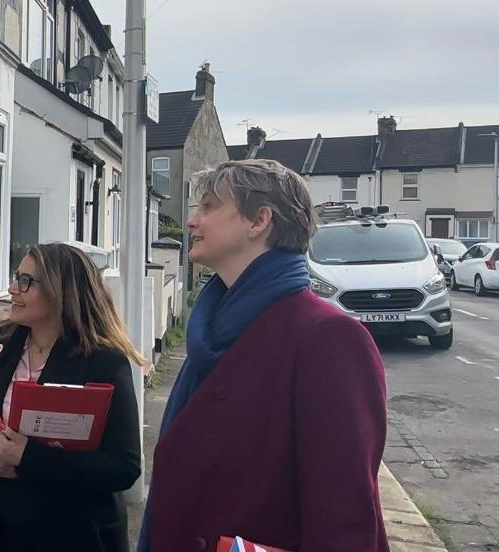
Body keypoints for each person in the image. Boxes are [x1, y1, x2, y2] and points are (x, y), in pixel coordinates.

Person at [137, 159, 389, 552]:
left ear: (259, 221)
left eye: (208, 207)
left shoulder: (329, 338)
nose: (192, 221)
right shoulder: (212, 329)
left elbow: (344, 519)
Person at [0, 242, 146, 552]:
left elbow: (123, 466)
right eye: (17, 276)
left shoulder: (103, 362)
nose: (13, 288)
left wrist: (29, 458)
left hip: (74, 532)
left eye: (26, 281)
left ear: (61, 292)